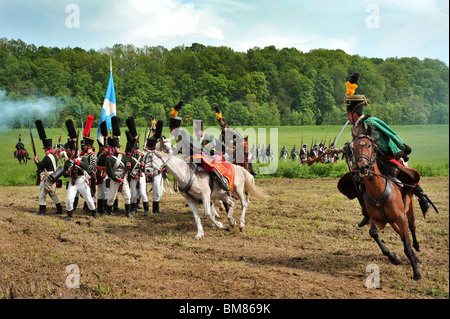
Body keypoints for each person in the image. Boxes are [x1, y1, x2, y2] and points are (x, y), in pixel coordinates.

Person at [332, 72, 434, 227]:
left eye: (348, 114)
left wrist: (403, 147)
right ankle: (367, 212)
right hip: (369, 158)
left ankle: (422, 196)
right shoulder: (355, 127)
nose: (347, 117)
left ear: (353, 113)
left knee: (402, 172)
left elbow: (390, 132)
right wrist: (339, 150)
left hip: (386, 154)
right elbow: (355, 145)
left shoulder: (372, 122)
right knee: (358, 180)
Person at [63, 140, 97, 221]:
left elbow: (86, 167)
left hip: (82, 180)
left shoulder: (83, 158)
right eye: (74, 150)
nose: (76, 152)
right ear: (71, 152)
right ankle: (69, 214)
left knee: (89, 198)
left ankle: (94, 213)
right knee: (69, 199)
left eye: (77, 150)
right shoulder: (68, 162)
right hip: (73, 181)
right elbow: (64, 174)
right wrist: (69, 171)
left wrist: (78, 162)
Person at [33, 136, 63, 215]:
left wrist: (36, 161)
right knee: (52, 193)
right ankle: (59, 209)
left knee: (42, 193)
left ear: (46, 149)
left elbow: (41, 165)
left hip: (47, 176)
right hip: (54, 175)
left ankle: (42, 211)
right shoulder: (55, 155)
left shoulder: (47, 157)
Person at [105, 137, 133, 218]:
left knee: (128, 196)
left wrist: (128, 166)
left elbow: (126, 167)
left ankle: (128, 213)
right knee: (111, 197)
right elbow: (109, 172)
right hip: (114, 179)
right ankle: (108, 211)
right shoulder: (109, 159)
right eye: (118, 147)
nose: (119, 148)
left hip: (123, 178)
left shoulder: (123, 156)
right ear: (113, 148)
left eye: (119, 147)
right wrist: (117, 179)